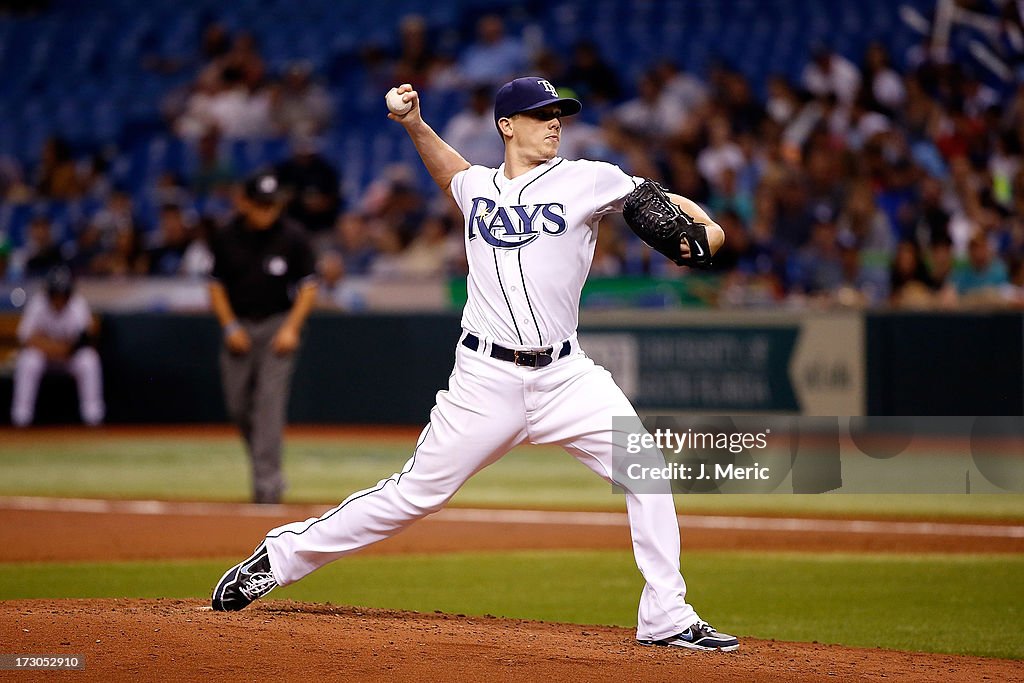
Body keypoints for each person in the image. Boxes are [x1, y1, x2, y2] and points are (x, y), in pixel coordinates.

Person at [211, 77, 738, 653]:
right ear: (508, 126)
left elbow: (652, 198)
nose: (556, 122)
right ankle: (279, 557)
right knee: (415, 495)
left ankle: (666, 615)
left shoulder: (588, 177)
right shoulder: (479, 187)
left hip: (566, 376)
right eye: (542, 115)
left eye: (560, 113)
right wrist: (414, 125)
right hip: (485, 380)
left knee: (645, 467)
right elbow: (450, 173)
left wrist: (706, 225)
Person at [207, 169, 318, 504]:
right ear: (245, 203)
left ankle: (267, 487)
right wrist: (229, 327)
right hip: (239, 325)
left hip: (276, 325)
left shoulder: (293, 236)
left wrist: (291, 328)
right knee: (239, 406)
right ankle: (266, 469)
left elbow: (308, 288)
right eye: (261, 205)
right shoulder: (227, 236)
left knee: (268, 406)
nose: (268, 211)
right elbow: (215, 286)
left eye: (272, 205)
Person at [11, 266, 104, 427]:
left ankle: (93, 417)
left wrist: (60, 348)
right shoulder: (38, 303)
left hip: (68, 360)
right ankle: (21, 418)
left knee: (89, 360)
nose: (59, 298)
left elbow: (85, 340)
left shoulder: (77, 304)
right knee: (29, 360)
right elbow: (26, 339)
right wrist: (58, 348)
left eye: (63, 293)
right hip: (45, 358)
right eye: (56, 293)